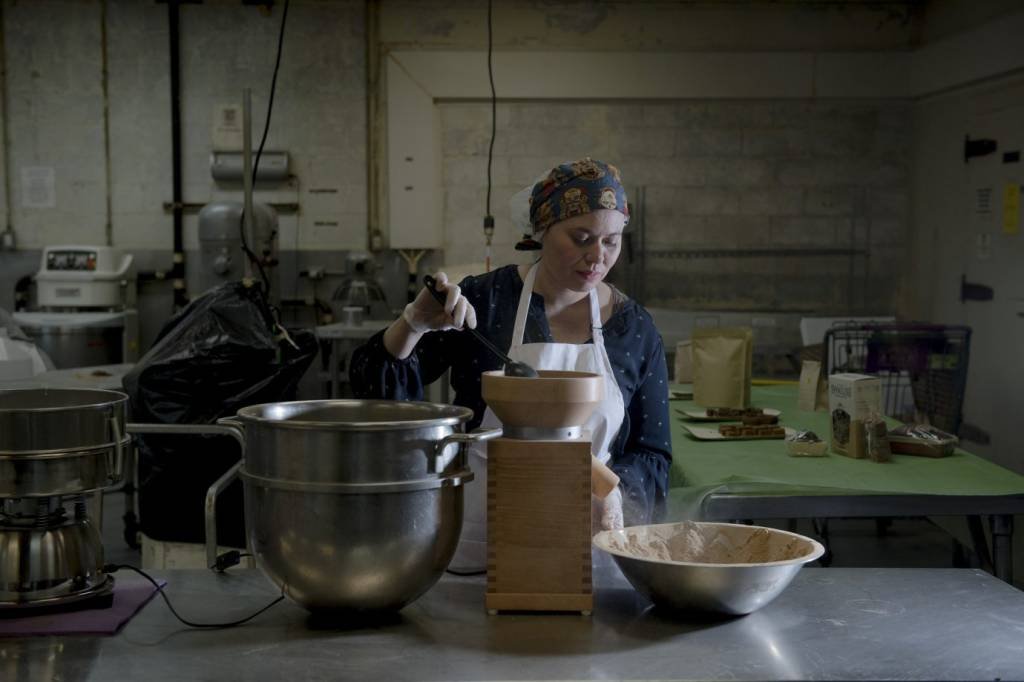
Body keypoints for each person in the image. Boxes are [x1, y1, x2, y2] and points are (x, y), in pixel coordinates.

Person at [350, 157, 671, 569]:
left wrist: (616, 492)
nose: (596, 257)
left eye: (611, 242)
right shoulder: (485, 301)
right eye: (581, 237)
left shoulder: (635, 329)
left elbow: (653, 452)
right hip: (476, 546)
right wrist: (412, 324)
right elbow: (375, 396)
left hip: (585, 549)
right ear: (541, 231)